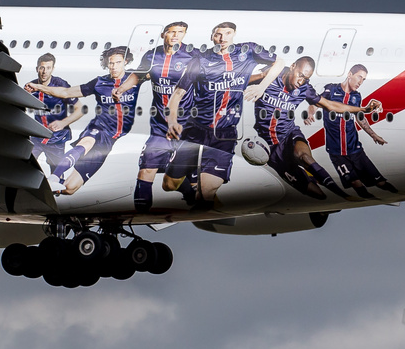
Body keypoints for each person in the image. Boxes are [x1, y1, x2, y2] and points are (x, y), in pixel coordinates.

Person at [166, 22, 281, 208]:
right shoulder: (201, 60)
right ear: (212, 37)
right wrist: (172, 121)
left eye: (228, 33)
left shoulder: (247, 53)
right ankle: (193, 190)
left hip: (224, 135)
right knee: (170, 184)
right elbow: (178, 93)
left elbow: (280, 63)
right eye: (219, 34)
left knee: (207, 191)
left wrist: (262, 86)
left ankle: (201, 194)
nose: (223, 38)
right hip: (196, 130)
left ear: (234, 35)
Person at [253, 57, 375, 199]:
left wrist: (361, 109)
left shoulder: (304, 88)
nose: (301, 81)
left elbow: (330, 105)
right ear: (292, 66)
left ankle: (342, 194)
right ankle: (316, 181)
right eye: (300, 75)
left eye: (306, 78)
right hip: (271, 146)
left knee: (304, 156)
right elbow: (238, 81)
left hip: (288, 133)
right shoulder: (270, 76)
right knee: (318, 195)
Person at [24, 46, 138, 195]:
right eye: (111, 63)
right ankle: (54, 177)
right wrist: (38, 87)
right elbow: (65, 92)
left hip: (113, 138)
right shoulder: (99, 82)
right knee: (86, 143)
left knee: (70, 188)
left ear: (125, 62)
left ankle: (45, 190)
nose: (114, 66)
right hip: (100, 127)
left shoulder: (135, 78)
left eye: (118, 62)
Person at [113, 22, 197, 214]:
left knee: (175, 179)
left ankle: (192, 197)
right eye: (172, 32)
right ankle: (141, 214)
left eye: (180, 33)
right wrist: (122, 88)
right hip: (160, 125)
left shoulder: (191, 58)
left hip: (185, 125)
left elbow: (182, 92)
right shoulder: (152, 56)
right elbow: (139, 75)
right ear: (163, 34)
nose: (175, 36)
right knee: (146, 169)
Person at [320, 64, 398, 197]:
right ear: (350, 74)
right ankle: (374, 200)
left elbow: (359, 118)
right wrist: (311, 112)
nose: (360, 82)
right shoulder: (331, 90)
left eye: (363, 79)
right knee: (356, 184)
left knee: (381, 183)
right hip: (336, 152)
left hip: (355, 149)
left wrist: (374, 135)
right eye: (359, 77)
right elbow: (316, 102)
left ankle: (399, 194)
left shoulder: (356, 96)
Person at [27, 53, 87, 173]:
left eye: (48, 68)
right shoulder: (31, 86)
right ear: (37, 69)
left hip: (56, 139)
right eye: (42, 68)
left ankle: (56, 189)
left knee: (56, 173)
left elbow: (80, 109)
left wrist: (63, 123)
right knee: (25, 166)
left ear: (53, 69)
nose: (44, 72)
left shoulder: (60, 85)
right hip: (37, 137)